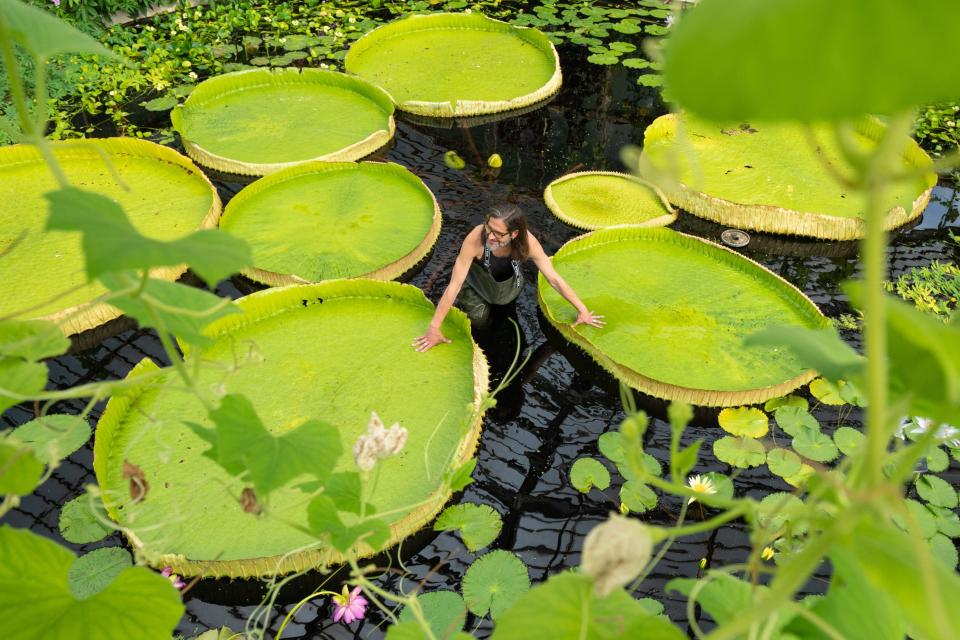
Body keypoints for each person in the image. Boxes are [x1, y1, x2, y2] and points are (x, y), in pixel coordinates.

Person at [413, 205, 604, 352]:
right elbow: (454, 285)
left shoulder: (528, 243)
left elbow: (553, 278)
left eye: (498, 233)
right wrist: (434, 327)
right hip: (476, 286)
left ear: (514, 234)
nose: (490, 237)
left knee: (507, 318)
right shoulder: (475, 239)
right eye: (489, 228)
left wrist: (582, 310)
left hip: (508, 288)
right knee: (480, 321)